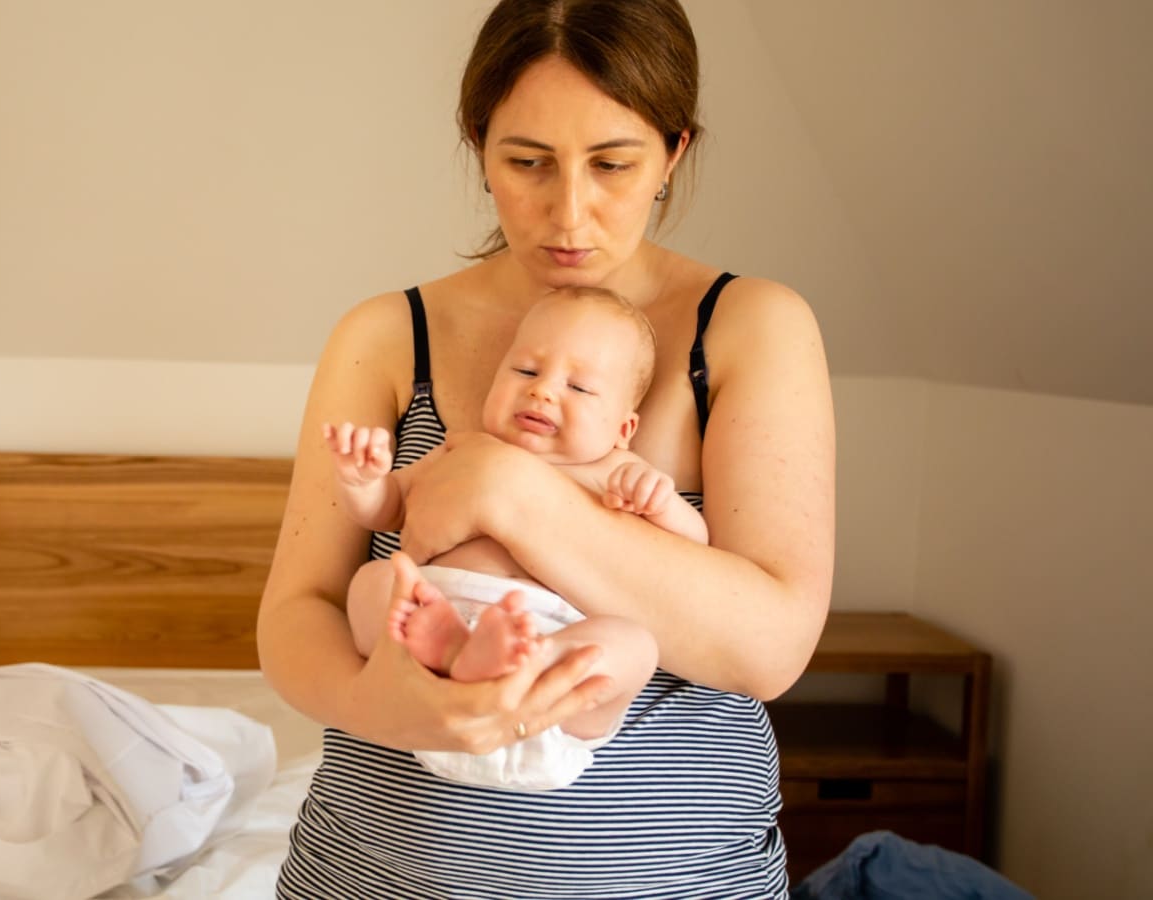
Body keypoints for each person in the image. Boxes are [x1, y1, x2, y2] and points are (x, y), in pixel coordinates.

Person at [258, 0, 835, 895]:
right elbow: (298, 611)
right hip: (375, 873)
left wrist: (507, 490)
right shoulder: (387, 333)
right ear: (479, 147)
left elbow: (768, 649)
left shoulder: (749, 327)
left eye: (613, 164)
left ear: (674, 152)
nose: (569, 213)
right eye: (526, 162)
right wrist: (373, 700)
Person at [325, 287, 707, 791]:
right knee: (372, 584)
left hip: (554, 664)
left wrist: (662, 504)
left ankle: (531, 663)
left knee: (633, 645)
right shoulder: (460, 451)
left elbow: (693, 553)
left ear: (624, 428)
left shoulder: (618, 473)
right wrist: (362, 481)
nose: (543, 391)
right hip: (436, 651)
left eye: (581, 388)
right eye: (525, 371)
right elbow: (386, 509)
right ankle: (456, 653)